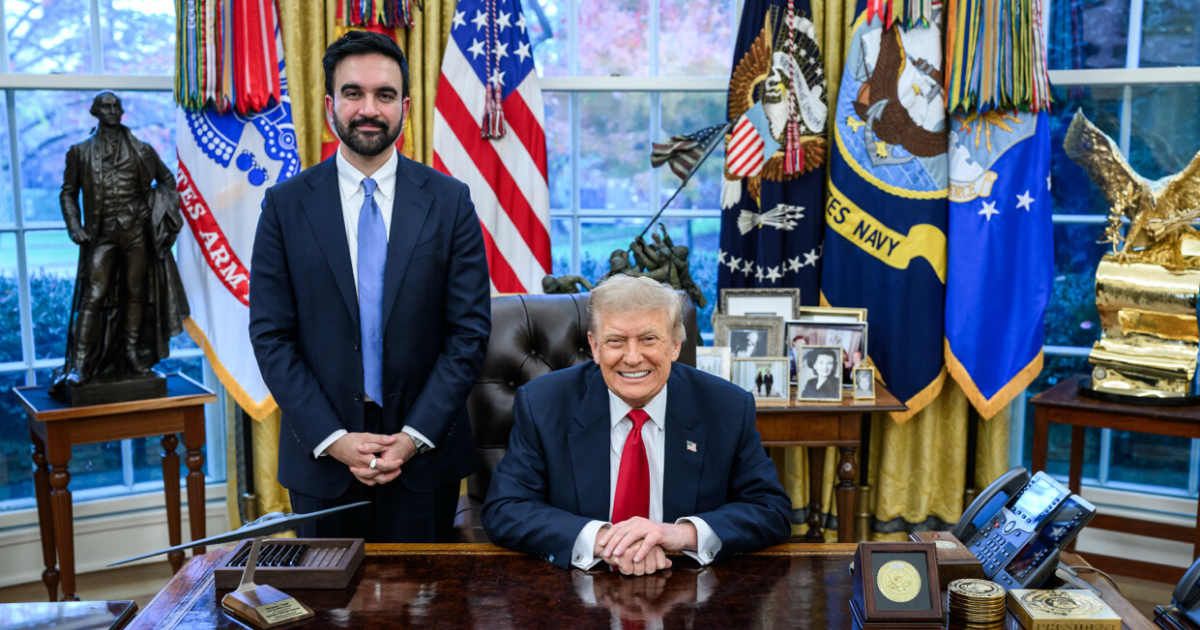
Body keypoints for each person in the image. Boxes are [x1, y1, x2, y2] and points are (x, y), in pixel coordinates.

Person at [248, 31, 490, 541]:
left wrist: (412, 437)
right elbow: (271, 337)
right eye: (353, 93)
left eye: (384, 95)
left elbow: (468, 334)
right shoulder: (285, 206)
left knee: (426, 615)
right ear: (330, 104)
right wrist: (334, 439)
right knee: (330, 616)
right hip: (322, 462)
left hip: (424, 461)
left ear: (404, 107)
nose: (368, 109)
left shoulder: (451, 202)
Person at [482, 275, 791, 575]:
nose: (632, 358)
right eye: (616, 341)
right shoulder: (544, 403)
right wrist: (604, 541)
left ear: (675, 345)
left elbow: (770, 510)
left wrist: (679, 535)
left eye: (648, 339)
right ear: (595, 346)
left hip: (687, 585)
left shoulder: (726, 407)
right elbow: (506, 508)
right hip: (572, 587)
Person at [54, 91, 188, 390]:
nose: (112, 111)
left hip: (135, 233)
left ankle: (132, 355)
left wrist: (153, 208)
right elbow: (67, 192)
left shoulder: (142, 151)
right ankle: (79, 364)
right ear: (95, 112)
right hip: (101, 235)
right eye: (106, 106)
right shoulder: (80, 152)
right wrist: (75, 226)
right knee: (94, 294)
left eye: (116, 106)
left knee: (136, 292)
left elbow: (168, 182)